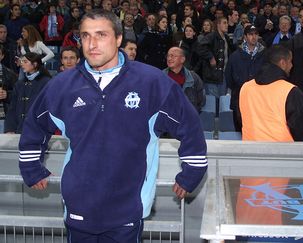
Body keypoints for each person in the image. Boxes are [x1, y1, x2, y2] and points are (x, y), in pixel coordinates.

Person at [17, 9, 207, 242]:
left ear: (118, 39)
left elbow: (189, 125)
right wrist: (31, 168)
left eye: (101, 35)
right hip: (79, 206)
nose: (92, 43)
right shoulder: (62, 86)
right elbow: (34, 125)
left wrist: (192, 171)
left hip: (127, 208)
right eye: (85, 36)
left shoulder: (151, 82)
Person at [239, 44, 303, 141]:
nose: (292, 65)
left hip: (250, 152)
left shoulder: (245, 88)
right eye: (290, 61)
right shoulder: (291, 91)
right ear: (283, 63)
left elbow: (240, 120)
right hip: (282, 153)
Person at [225, 25, 265, 131]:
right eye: (251, 34)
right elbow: (229, 78)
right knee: (239, 131)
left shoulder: (265, 55)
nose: (254, 37)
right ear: (245, 37)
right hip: (239, 99)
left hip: (259, 100)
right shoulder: (235, 56)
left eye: (256, 34)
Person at [5, 52, 51, 134]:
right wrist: (10, 128)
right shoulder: (19, 84)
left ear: (35, 64)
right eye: (22, 61)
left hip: (38, 130)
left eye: (25, 62)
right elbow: (12, 108)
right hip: (19, 129)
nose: (22, 64)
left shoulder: (47, 82)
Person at [197, 16, 235, 97]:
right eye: (224, 23)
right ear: (218, 24)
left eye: (227, 23)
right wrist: (210, 57)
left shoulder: (226, 38)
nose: (227, 25)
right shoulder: (211, 36)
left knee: (222, 103)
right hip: (211, 76)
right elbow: (200, 47)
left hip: (223, 75)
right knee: (211, 106)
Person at [163, 47, 205, 112]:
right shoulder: (160, 76)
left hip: (187, 117)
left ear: (182, 59)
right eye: (168, 56)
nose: (169, 58)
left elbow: (201, 99)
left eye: (173, 56)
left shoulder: (193, 77)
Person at [0, 44, 17, 132]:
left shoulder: (10, 74)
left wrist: (7, 95)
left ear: (2, 56)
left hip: (2, 118)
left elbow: (18, 96)